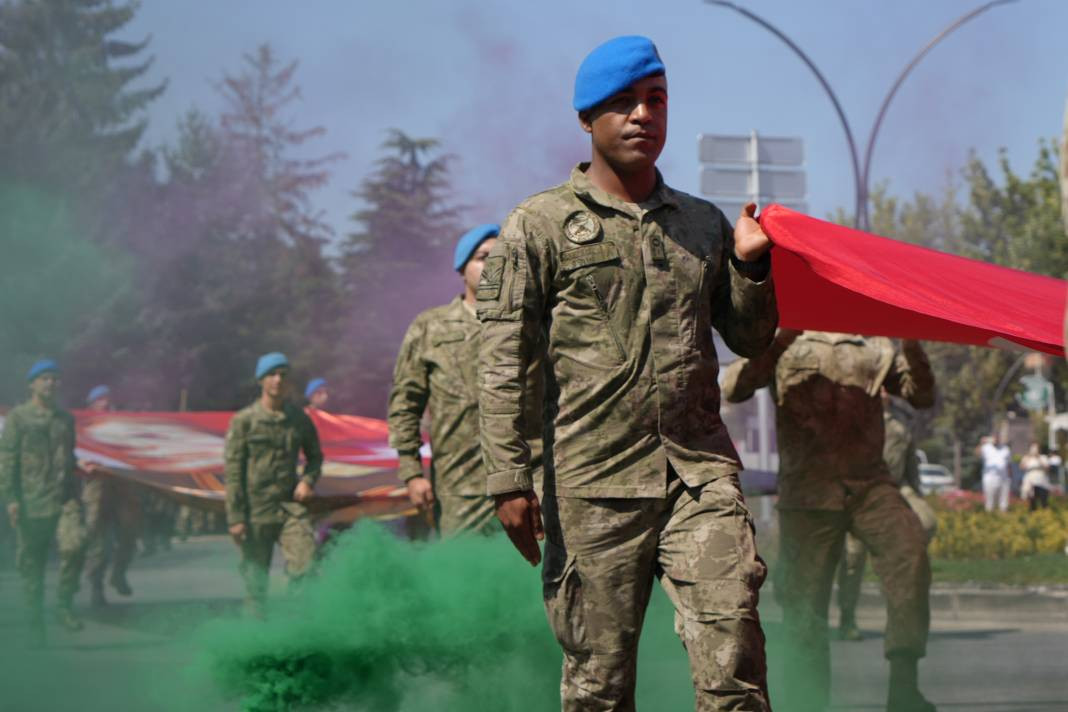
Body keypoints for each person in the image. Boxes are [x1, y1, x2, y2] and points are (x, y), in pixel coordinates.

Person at [477, 36, 777, 710]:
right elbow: (503, 360)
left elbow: (751, 337)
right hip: (593, 486)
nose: (644, 115)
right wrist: (507, 477)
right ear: (588, 120)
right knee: (599, 686)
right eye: (624, 104)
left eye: (656, 100)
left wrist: (752, 266)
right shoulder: (541, 225)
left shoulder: (702, 224)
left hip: (697, 477)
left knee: (735, 656)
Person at [723, 332, 936, 712]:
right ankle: (809, 700)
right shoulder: (783, 333)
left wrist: (913, 345)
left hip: (869, 483)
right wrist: (779, 339)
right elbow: (735, 387)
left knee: (909, 549)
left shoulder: (874, 342)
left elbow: (921, 396)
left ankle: (904, 686)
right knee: (805, 604)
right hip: (809, 489)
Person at [388, 224, 543, 536]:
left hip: (531, 479)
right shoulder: (431, 327)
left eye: (504, 258)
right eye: (484, 257)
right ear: (462, 269)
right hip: (461, 485)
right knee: (463, 574)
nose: (494, 265)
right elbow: (406, 404)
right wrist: (411, 472)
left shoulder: (535, 323)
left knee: (536, 576)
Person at [223, 352, 322, 617]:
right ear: (261, 380)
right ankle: (256, 644)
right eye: (272, 375)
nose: (278, 380)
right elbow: (233, 472)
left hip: (289, 506)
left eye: (283, 375)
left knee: (306, 564)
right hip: (256, 511)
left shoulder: (298, 418)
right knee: (256, 586)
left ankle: (294, 628)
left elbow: (315, 456)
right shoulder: (244, 421)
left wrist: (308, 481)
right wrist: (235, 517)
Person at [836, 392, 938, 642]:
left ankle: (904, 617)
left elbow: (910, 468)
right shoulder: (851, 421)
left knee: (924, 523)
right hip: (858, 493)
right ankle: (847, 618)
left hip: (894, 488)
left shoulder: (899, 425)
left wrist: (916, 497)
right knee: (853, 556)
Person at [0, 359, 87, 641]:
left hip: (64, 498)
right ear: (32, 384)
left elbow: (69, 456)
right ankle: (35, 623)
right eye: (45, 379)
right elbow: (7, 458)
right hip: (31, 500)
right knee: (32, 566)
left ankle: (63, 605)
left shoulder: (65, 419)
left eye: (55, 379)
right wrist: (11, 498)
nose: (51, 383)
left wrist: (81, 468)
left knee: (75, 545)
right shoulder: (19, 418)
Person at [80, 384, 141, 606]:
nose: (104, 403)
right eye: (99, 400)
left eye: (107, 399)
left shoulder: (121, 425)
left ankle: (118, 574)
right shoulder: (83, 427)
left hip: (123, 487)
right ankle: (96, 586)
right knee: (98, 541)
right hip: (97, 487)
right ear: (91, 404)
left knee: (129, 535)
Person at [977, 434, 1011, 513]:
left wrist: (1010, 478)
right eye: (994, 437)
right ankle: (990, 517)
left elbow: (1008, 464)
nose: (995, 439)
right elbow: (977, 453)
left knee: (1003, 501)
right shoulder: (986, 447)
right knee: (990, 500)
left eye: (997, 437)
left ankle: (1003, 517)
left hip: (1004, 478)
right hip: (990, 478)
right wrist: (981, 443)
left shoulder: (1005, 449)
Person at [1019, 442, 1051, 511]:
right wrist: (1028, 457)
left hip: (1041, 481)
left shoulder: (1043, 457)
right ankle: (1033, 512)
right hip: (1030, 480)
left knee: (1043, 499)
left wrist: (1038, 458)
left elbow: (1047, 468)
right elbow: (1022, 467)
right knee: (1032, 499)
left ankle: (1046, 513)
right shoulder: (1026, 457)